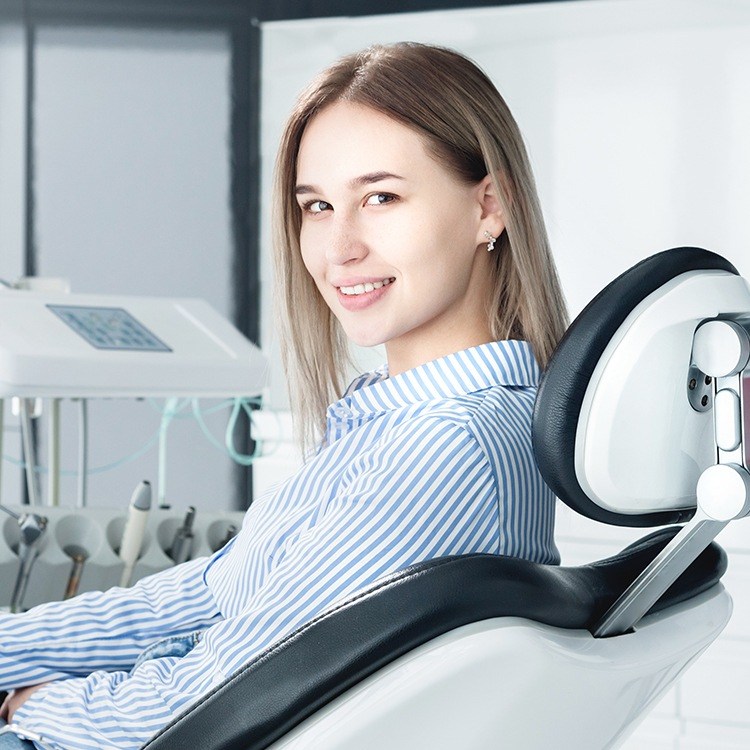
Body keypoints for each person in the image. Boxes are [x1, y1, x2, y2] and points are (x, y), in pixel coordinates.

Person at [0, 41, 567, 749]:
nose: (339, 248)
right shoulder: (419, 423)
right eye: (319, 206)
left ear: (490, 204)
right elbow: (206, 594)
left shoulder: (446, 448)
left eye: (381, 197)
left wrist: (32, 709)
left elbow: (214, 698)